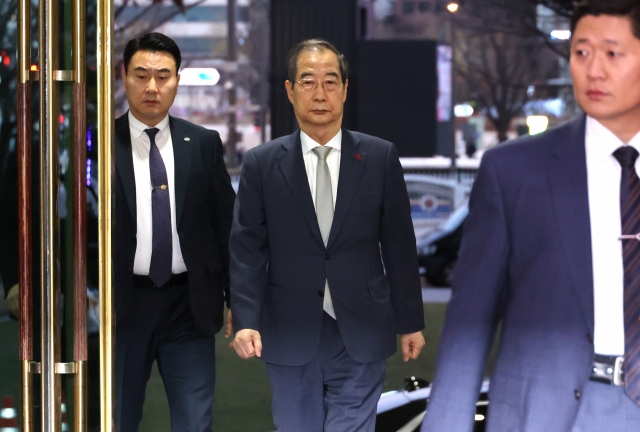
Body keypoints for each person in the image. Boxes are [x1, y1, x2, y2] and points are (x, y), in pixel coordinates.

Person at [421, 1, 640, 431]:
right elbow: (470, 321)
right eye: (581, 52)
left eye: (612, 53)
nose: (593, 70)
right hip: (541, 414)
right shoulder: (514, 171)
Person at [229, 39, 426, 432]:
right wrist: (245, 319)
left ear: (345, 88)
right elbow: (247, 249)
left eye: (330, 81)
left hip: (362, 328)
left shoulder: (379, 157)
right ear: (289, 90)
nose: (320, 93)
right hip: (289, 331)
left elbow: (400, 246)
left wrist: (411, 320)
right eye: (307, 81)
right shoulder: (262, 164)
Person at [114, 32, 235, 431]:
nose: (152, 86)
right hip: (122, 306)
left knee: (195, 420)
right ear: (123, 75)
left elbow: (226, 229)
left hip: (189, 305)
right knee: (116, 418)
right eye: (141, 74)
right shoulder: (95, 144)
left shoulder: (201, 143)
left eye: (163, 76)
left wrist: (238, 301)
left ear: (177, 80)